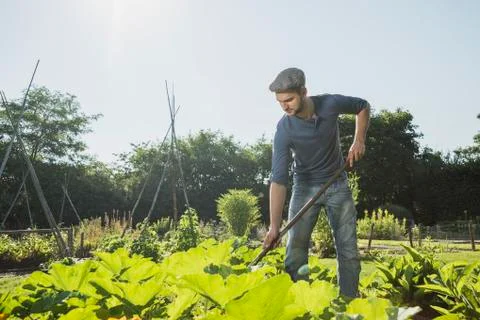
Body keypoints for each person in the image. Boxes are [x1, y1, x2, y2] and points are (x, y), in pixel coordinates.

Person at [263, 67, 370, 298]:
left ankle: (349, 303)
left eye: (289, 99)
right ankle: (301, 305)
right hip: (304, 188)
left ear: (304, 92)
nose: (285, 106)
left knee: (348, 250)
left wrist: (358, 140)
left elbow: (362, 105)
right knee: (295, 251)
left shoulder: (329, 104)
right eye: (280, 102)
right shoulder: (284, 129)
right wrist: (274, 227)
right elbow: (279, 179)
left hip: (337, 184)